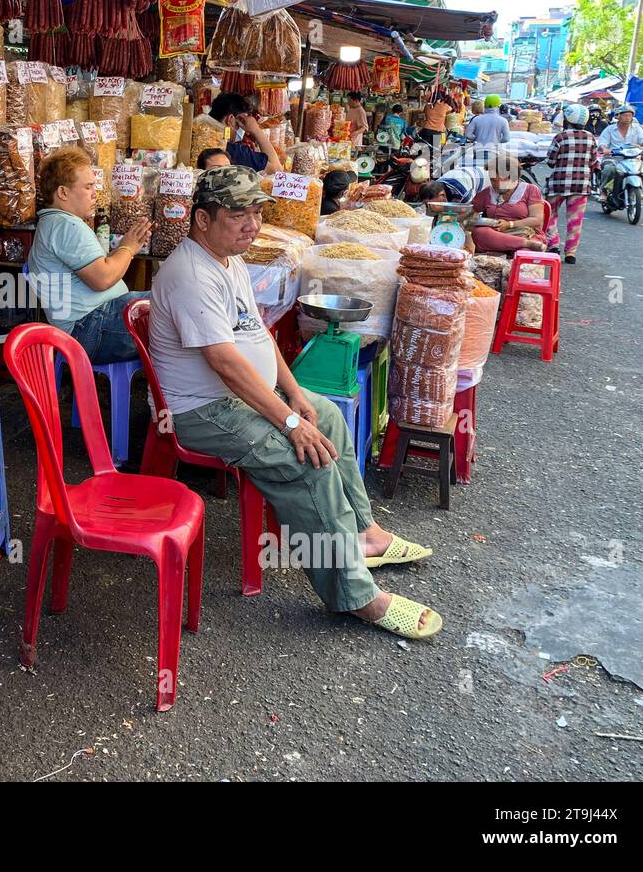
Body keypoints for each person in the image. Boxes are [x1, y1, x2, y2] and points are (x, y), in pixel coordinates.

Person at [148, 166, 442, 640]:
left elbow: (257, 335)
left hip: (239, 400)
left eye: (256, 213)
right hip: (202, 412)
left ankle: (363, 533)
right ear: (201, 219)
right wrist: (286, 420)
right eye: (237, 214)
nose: (251, 225)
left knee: (325, 416)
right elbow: (224, 363)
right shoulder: (189, 274)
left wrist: (297, 394)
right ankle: (354, 595)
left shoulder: (230, 260)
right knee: (305, 460)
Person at [27, 146, 149, 363]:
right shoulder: (65, 225)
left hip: (93, 325)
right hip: (90, 329)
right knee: (174, 303)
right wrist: (127, 249)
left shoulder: (55, 223)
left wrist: (125, 247)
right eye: (88, 187)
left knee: (173, 303)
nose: (95, 193)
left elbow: (100, 267)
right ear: (63, 192)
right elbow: (102, 278)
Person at [542, 103, 600, 264]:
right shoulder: (590, 138)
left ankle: (553, 243)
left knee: (549, 213)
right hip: (581, 185)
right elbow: (594, 161)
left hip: (558, 183)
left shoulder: (560, 137)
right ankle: (571, 253)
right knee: (575, 220)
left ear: (567, 118)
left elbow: (551, 161)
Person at [469, 169, 547, 254]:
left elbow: (537, 220)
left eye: (499, 181)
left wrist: (509, 224)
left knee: (526, 253)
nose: (495, 184)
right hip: (496, 235)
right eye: (492, 180)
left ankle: (525, 244)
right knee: (479, 233)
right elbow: (469, 211)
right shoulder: (488, 192)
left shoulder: (530, 190)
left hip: (526, 233)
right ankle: (526, 244)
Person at [208, 92, 285, 173]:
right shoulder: (235, 152)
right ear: (230, 120)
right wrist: (256, 130)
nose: (244, 130)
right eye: (242, 121)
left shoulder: (201, 139)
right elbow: (277, 170)